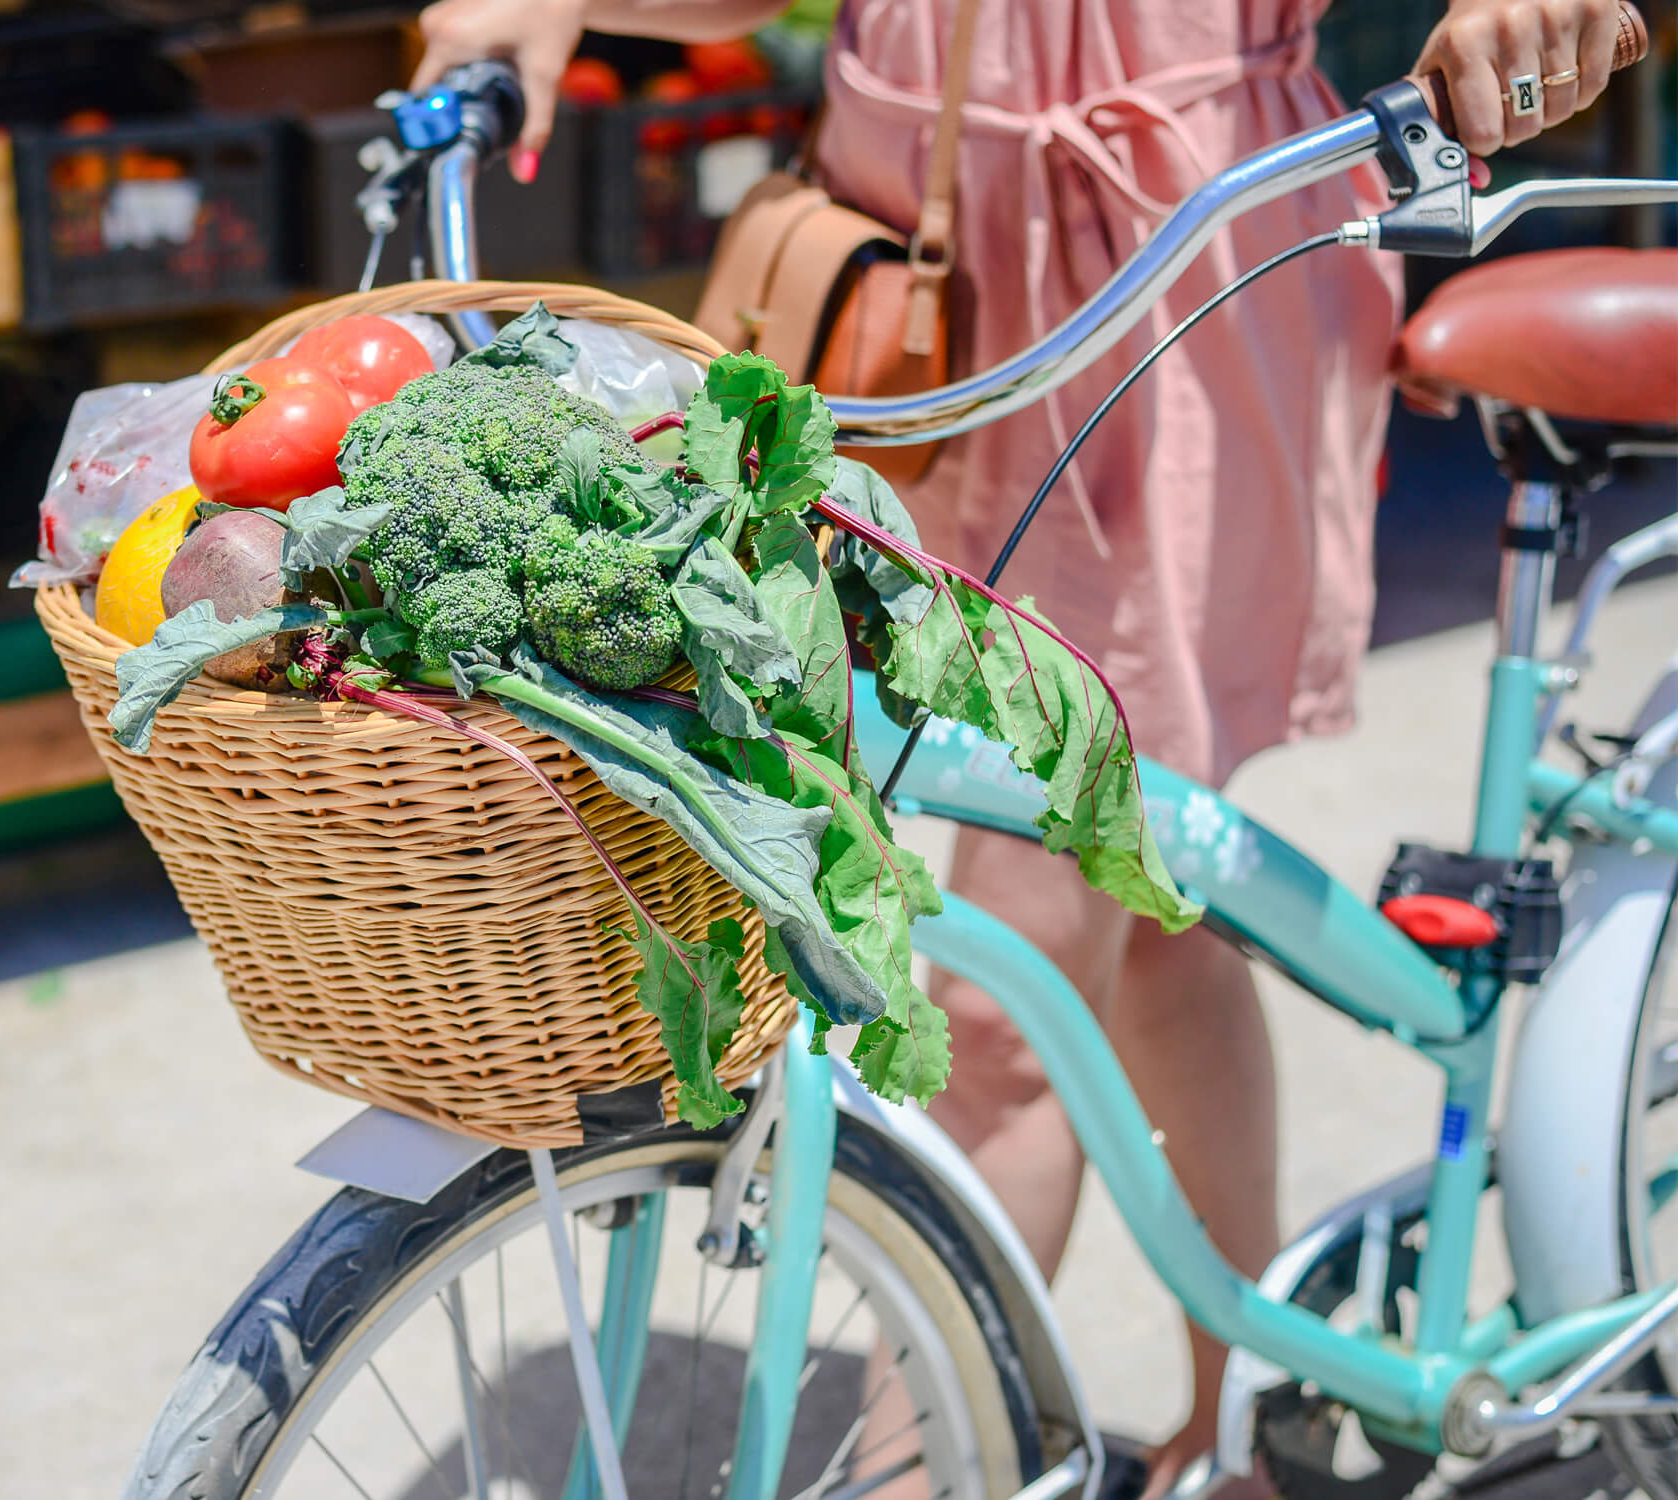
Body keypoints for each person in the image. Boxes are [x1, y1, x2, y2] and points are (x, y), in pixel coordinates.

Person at [409, 0, 1630, 1493]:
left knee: (1002, 995)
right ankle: (1250, 1418)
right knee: (1150, 910)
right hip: (922, 277)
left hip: (1170, 282)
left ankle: (924, 1474)